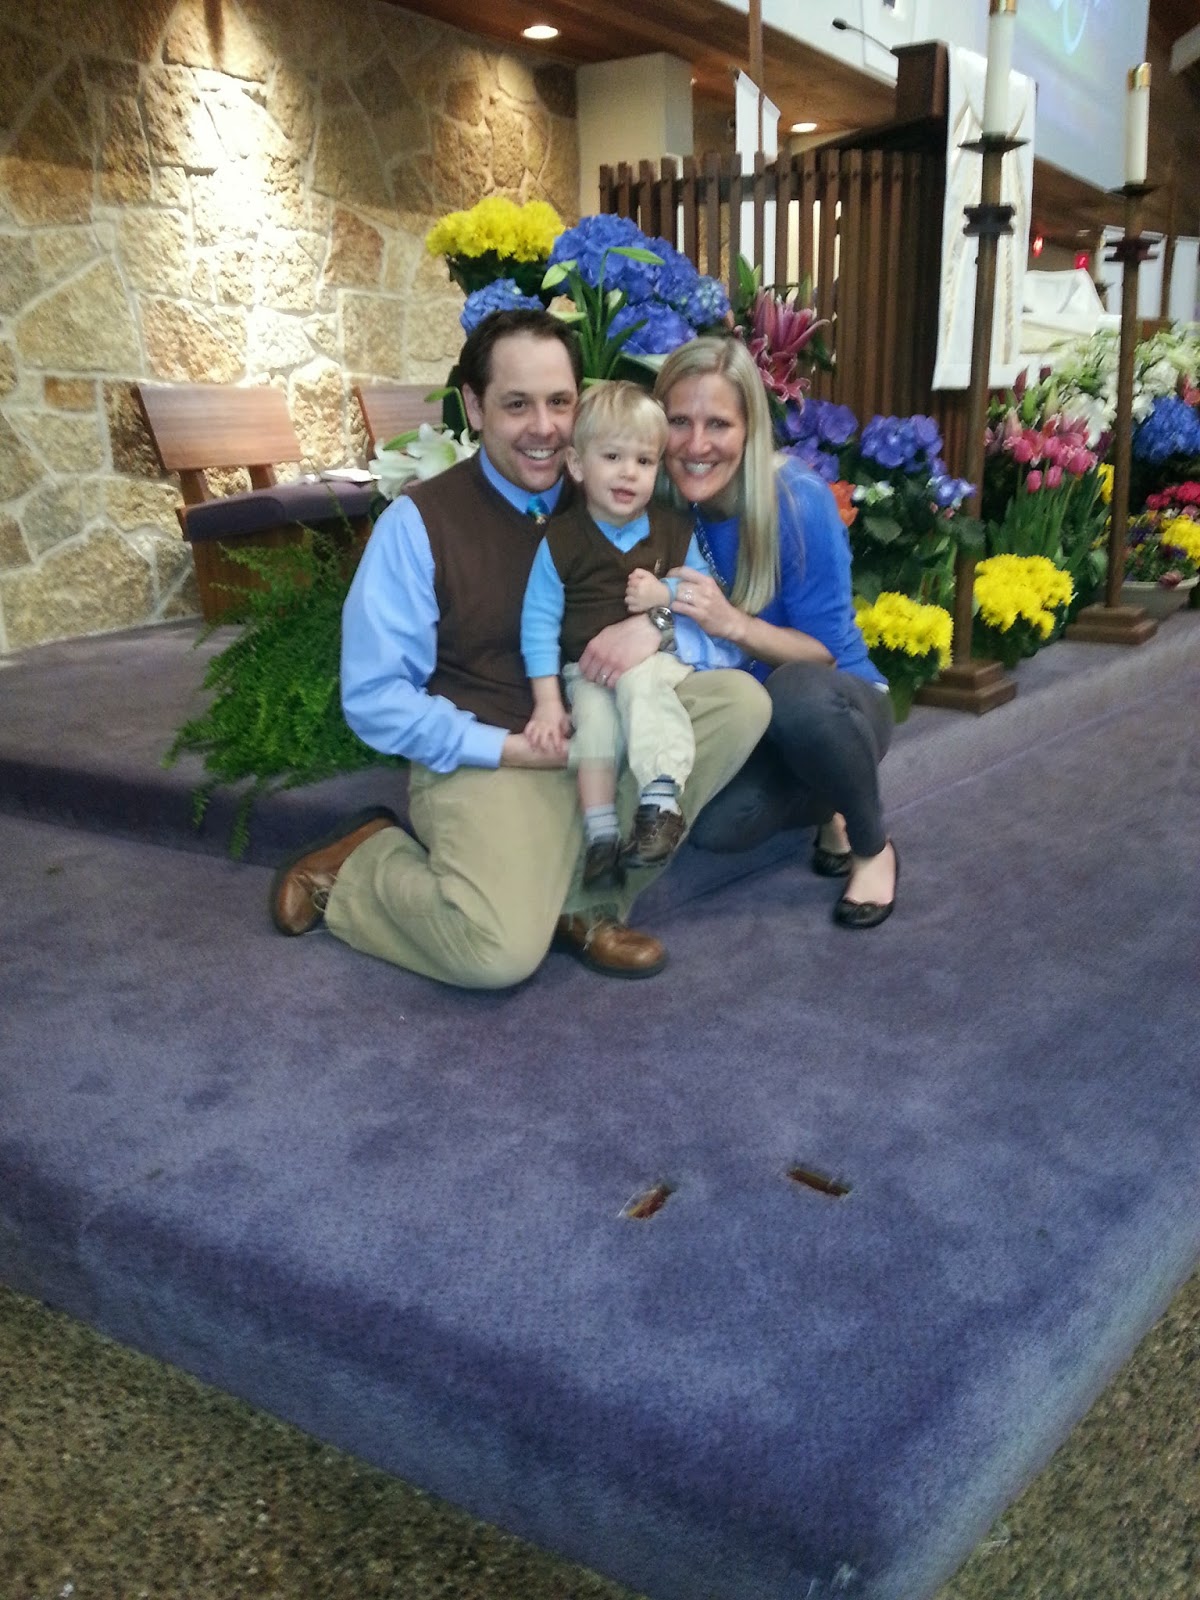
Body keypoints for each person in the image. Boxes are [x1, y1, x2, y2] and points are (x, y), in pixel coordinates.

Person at [268, 310, 771, 986]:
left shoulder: (617, 489)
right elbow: (374, 698)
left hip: (598, 734)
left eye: (559, 403)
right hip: (489, 756)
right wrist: (507, 749)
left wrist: (655, 627)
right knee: (494, 955)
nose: (544, 427)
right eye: (516, 405)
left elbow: (721, 640)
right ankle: (357, 868)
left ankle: (588, 902)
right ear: (475, 407)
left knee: (738, 702)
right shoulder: (419, 525)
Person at [579, 335, 897, 927]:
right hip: (747, 713)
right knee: (718, 827)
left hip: (836, 704)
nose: (696, 444)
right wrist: (655, 621)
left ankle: (871, 844)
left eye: (719, 424)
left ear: (750, 428)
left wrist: (732, 622)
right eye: (679, 421)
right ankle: (829, 799)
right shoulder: (654, 495)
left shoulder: (795, 500)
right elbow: (654, 601)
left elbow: (823, 656)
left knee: (796, 695)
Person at [519, 381, 746, 889]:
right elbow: (538, 624)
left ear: (657, 470)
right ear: (577, 465)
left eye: (644, 461)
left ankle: (660, 802)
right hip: (587, 670)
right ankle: (601, 837)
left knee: (643, 690)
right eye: (613, 457)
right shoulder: (561, 540)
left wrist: (663, 594)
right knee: (595, 729)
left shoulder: (672, 531)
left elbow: (701, 593)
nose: (628, 472)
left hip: (655, 658)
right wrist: (547, 702)